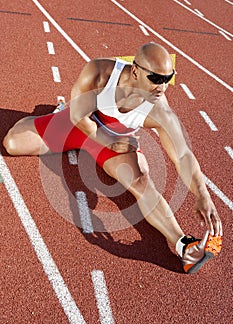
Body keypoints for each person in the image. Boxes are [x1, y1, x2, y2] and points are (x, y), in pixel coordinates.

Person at [3, 42, 222, 273]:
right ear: (135, 70)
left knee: (140, 182)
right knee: (12, 143)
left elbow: (183, 155)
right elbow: (78, 115)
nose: (163, 87)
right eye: (155, 79)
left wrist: (202, 194)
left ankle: (183, 244)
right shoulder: (99, 73)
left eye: (168, 78)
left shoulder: (159, 109)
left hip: (115, 142)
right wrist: (108, 141)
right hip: (81, 124)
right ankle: (55, 111)